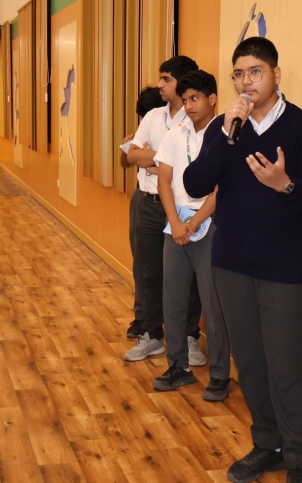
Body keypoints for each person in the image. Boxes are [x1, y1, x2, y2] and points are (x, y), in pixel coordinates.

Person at [184, 37, 302, 483]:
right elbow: (195, 183)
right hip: (232, 264)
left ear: (276, 75)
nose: (246, 82)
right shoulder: (224, 127)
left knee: (286, 366)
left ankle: (300, 460)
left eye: (256, 72)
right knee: (249, 362)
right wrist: (224, 134)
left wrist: (285, 184)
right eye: (238, 74)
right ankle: (267, 444)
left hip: (287, 270)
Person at [151, 70, 232, 401]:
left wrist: (195, 222)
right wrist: (175, 222)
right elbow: (163, 181)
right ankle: (178, 367)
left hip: (209, 225)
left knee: (213, 306)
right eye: (185, 100)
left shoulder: (226, 136)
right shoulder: (176, 134)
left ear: (212, 99)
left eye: (195, 98)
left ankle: (220, 375)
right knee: (172, 300)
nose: (189, 105)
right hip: (176, 226)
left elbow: (220, 189)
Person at [124, 55, 204, 363]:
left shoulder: (195, 116)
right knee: (150, 274)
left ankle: (189, 337)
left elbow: (195, 164)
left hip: (183, 208)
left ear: (181, 82)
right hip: (150, 205)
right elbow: (132, 156)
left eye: (166, 79)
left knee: (188, 278)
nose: (159, 84)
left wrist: (155, 159)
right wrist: (168, 159)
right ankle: (152, 335)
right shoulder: (153, 116)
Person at [122, 86, 166, 338]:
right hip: (144, 197)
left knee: (166, 266)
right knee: (142, 262)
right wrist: (131, 148)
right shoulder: (143, 131)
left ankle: (159, 319)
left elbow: (168, 161)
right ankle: (142, 317)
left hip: (171, 200)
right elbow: (127, 161)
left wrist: (148, 156)